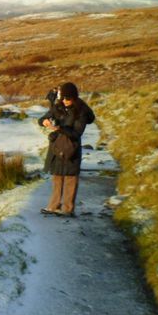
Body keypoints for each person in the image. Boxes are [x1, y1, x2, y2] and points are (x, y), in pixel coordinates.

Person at [38, 82, 95, 217]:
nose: (64, 100)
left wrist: (59, 128)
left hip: (71, 147)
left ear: (74, 97)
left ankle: (68, 209)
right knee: (57, 176)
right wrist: (44, 121)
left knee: (70, 178)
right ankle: (53, 206)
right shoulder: (58, 106)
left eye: (67, 98)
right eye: (63, 97)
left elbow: (76, 133)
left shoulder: (81, 111)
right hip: (57, 146)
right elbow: (41, 119)